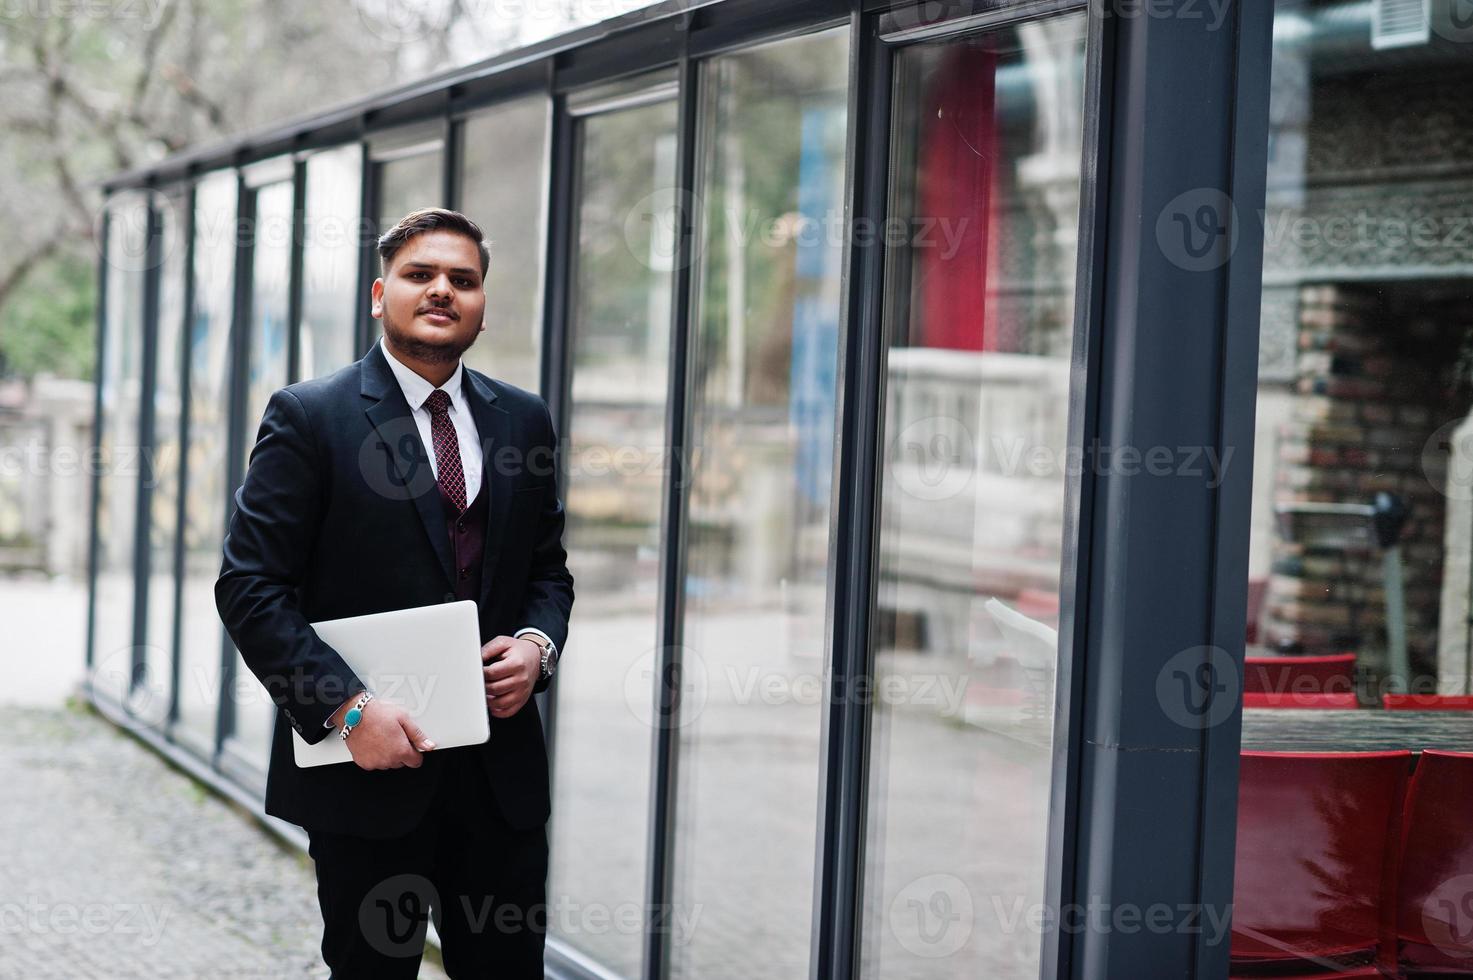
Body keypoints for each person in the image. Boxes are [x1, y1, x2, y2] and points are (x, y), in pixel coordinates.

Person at [216, 207, 573, 977]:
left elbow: (548, 569)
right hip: (368, 774)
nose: (442, 290)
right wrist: (346, 712)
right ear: (381, 295)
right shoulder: (311, 417)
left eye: (463, 280)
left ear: (481, 304)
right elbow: (249, 586)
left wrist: (538, 647)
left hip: (499, 783)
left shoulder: (524, 420)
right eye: (421, 275)